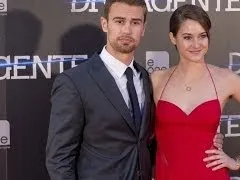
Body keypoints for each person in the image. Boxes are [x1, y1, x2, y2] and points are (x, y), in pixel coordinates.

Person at [46, 1, 224, 180]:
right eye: (119, 21)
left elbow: (154, 139)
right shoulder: (75, 82)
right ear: (105, 24)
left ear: (143, 28)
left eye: (135, 22)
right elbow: (59, 159)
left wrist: (203, 138)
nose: (127, 30)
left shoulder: (147, 79)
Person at [151, 4, 240, 180]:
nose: (196, 44)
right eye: (187, 37)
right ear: (173, 38)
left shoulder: (226, 79)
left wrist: (239, 161)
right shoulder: (157, 79)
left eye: (202, 36)